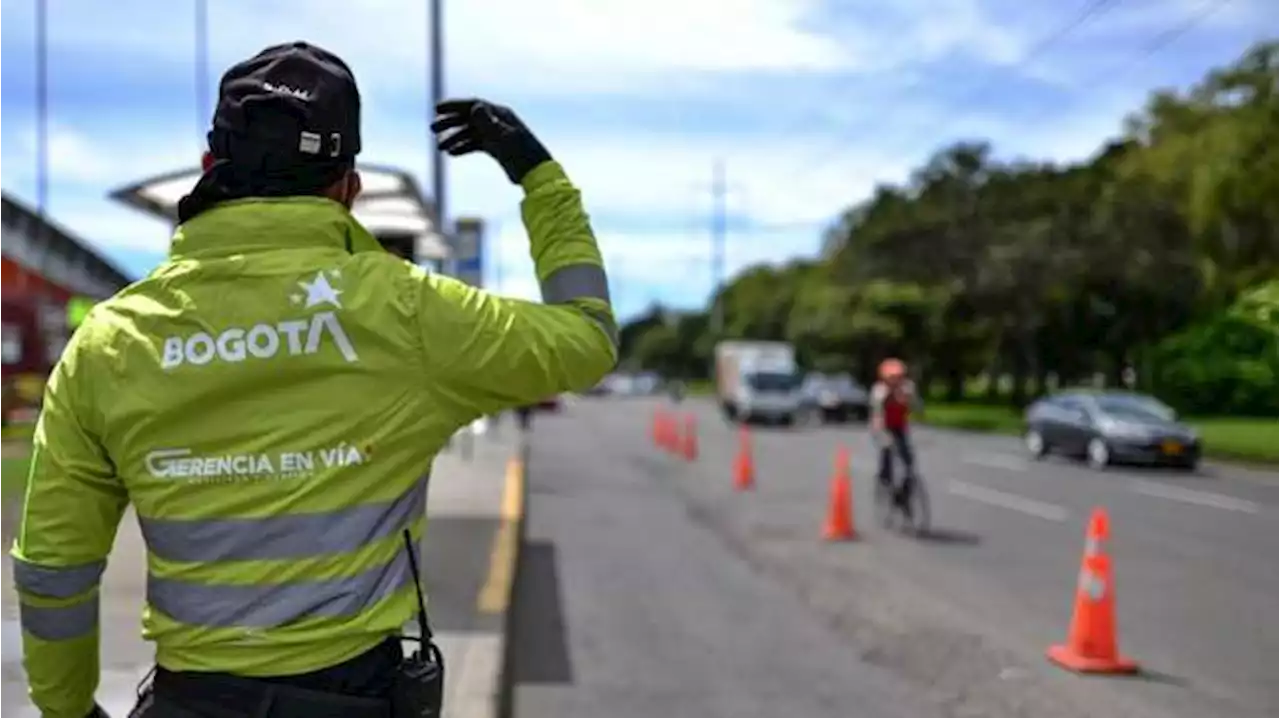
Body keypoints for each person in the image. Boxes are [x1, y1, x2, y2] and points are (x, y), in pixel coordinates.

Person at [10, 41, 616, 718]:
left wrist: (68, 710)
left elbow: (52, 566)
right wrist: (539, 176)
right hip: (357, 698)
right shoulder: (408, 313)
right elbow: (587, 337)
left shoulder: (109, 342)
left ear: (211, 166)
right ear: (346, 189)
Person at [870, 358, 920, 507]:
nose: (896, 381)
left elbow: (916, 405)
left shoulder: (908, 388)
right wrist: (880, 431)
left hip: (899, 426)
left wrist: (911, 404)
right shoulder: (879, 391)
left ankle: (905, 493)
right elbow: (877, 413)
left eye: (899, 377)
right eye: (892, 378)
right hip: (884, 426)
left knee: (908, 461)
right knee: (887, 449)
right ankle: (885, 478)